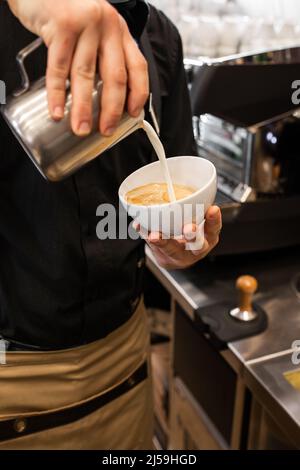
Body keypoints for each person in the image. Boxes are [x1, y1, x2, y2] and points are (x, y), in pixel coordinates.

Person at [0, 0, 222, 449]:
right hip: (13, 381)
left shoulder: (157, 35)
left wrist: (180, 245)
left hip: (125, 363)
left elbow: (176, 183)